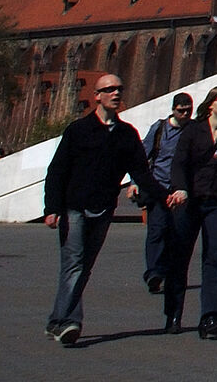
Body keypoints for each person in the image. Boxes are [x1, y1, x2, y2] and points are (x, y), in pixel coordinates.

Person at [41, 74, 167, 346]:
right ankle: (70, 322)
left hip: (103, 208)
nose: (116, 93)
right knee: (74, 264)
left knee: (83, 267)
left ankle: (55, 319)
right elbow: (58, 170)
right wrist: (51, 208)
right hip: (74, 207)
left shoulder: (127, 135)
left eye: (119, 89)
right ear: (96, 95)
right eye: (109, 89)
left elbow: (142, 174)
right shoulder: (78, 130)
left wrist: (164, 197)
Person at [164, 84, 217, 338]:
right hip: (190, 202)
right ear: (210, 103)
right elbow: (179, 163)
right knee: (180, 258)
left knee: (213, 258)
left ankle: (210, 317)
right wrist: (180, 189)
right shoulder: (192, 131)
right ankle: (174, 314)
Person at [139, 93, 195, 294]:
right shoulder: (159, 129)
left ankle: (164, 270)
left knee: (175, 233)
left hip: (181, 190)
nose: (185, 113)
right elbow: (143, 155)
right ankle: (154, 272)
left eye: (189, 110)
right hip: (158, 187)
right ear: (173, 110)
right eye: (181, 110)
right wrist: (136, 183)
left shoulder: (194, 129)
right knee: (157, 230)